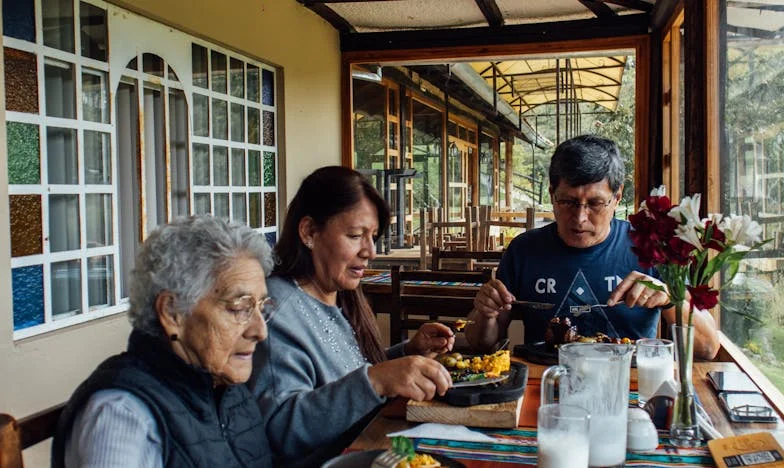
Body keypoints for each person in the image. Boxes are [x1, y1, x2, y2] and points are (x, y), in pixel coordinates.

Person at [250, 166, 454, 467]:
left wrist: (406, 353)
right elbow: (281, 430)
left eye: (373, 237)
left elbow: (342, 376)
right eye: (355, 235)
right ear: (309, 232)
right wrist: (377, 381)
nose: (370, 251)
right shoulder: (277, 310)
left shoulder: (336, 295)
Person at [465, 135, 720, 360]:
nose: (580, 218)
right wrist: (485, 313)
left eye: (596, 203)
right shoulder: (524, 250)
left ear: (617, 197)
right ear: (552, 193)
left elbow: (708, 348)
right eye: (567, 202)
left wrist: (668, 299)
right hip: (545, 383)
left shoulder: (650, 247)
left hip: (629, 386)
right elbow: (480, 342)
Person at [52, 216, 275, 468]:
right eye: (239, 307)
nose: (260, 331)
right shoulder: (123, 416)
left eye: (261, 307)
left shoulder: (227, 392)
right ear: (172, 313)